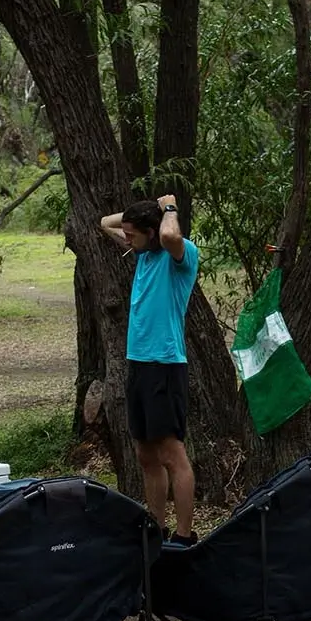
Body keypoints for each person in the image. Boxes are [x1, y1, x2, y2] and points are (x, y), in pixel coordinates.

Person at [99, 194, 200, 546]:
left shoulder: (180, 255)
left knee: (171, 452)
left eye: (133, 234)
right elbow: (105, 223)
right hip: (139, 364)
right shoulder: (143, 252)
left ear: (153, 232)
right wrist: (143, 215)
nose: (125, 239)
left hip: (165, 364)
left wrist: (170, 208)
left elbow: (172, 236)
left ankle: (184, 535)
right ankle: (156, 529)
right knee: (145, 452)